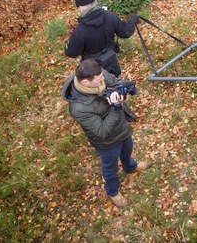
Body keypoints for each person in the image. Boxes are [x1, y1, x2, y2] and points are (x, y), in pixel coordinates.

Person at [61, 59, 151, 207]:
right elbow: (101, 131)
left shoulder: (98, 74)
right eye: (99, 79)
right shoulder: (78, 108)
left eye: (102, 75)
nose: (103, 79)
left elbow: (114, 80)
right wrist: (115, 108)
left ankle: (130, 167)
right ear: (85, 82)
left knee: (128, 149)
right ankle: (112, 191)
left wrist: (127, 88)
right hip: (107, 142)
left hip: (122, 128)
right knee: (110, 167)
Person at [65, 0, 139, 77]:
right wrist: (133, 20)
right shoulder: (110, 17)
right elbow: (126, 32)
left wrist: (69, 41)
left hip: (91, 72)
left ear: (80, 7)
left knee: (97, 89)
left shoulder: (80, 30)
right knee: (114, 86)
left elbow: (71, 53)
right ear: (95, 1)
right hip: (111, 64)